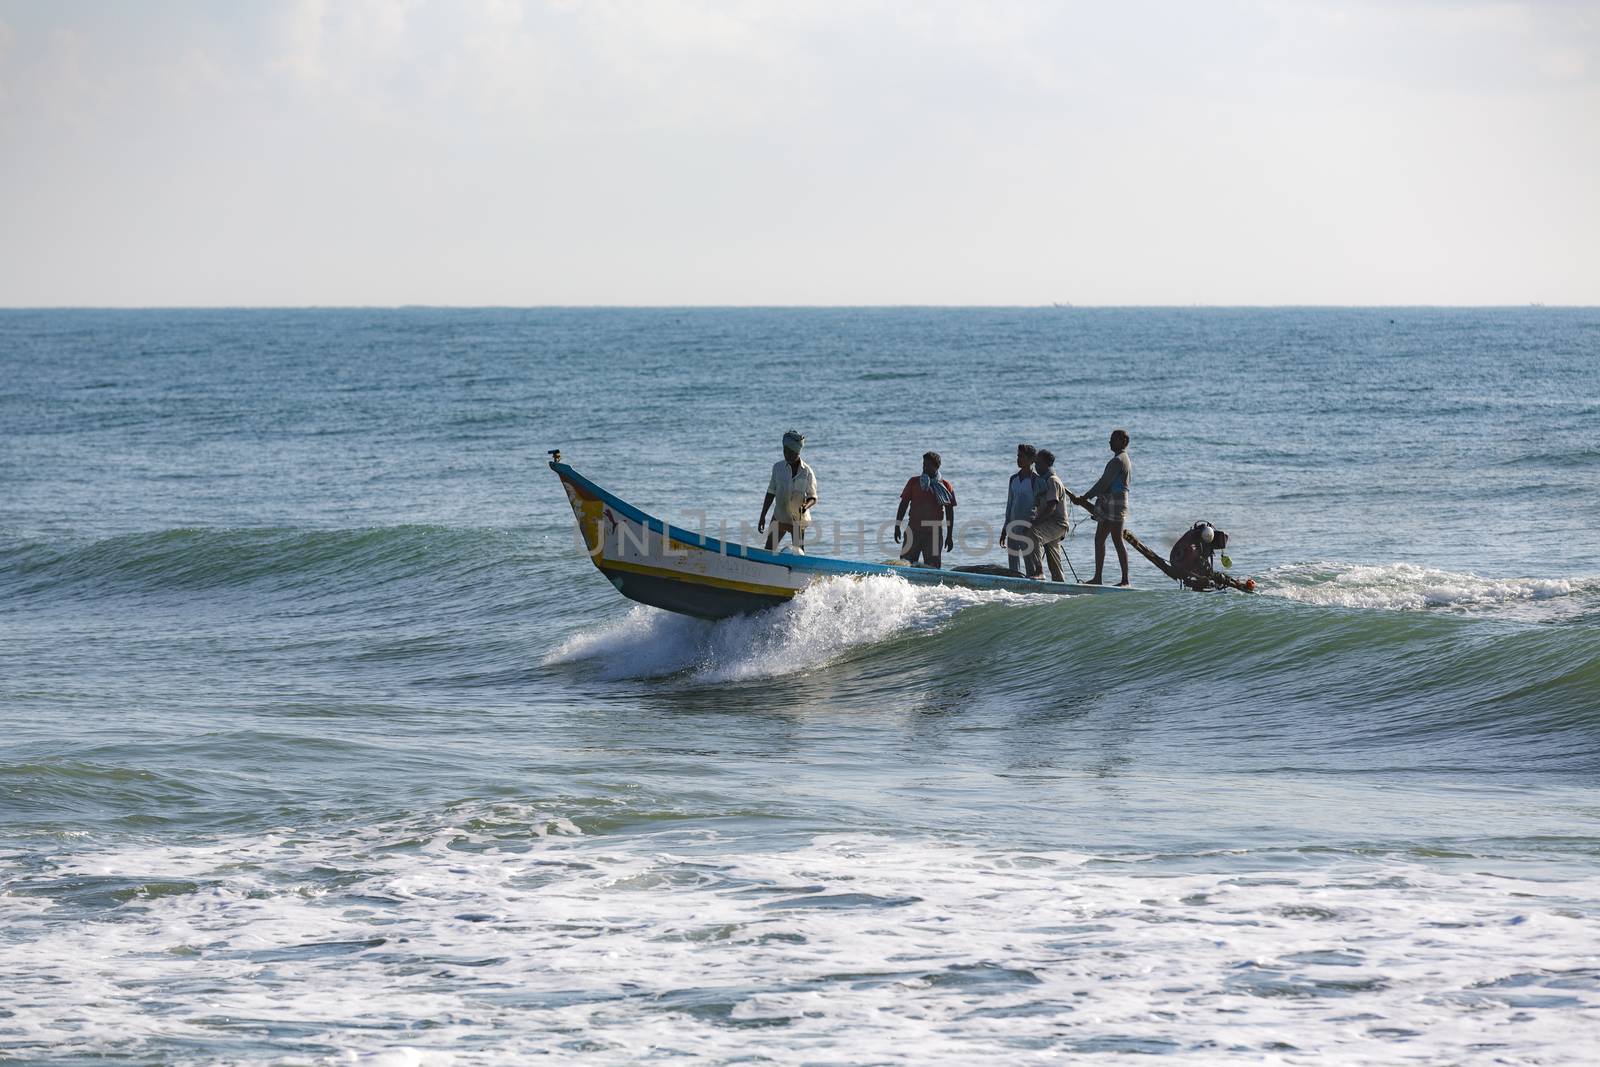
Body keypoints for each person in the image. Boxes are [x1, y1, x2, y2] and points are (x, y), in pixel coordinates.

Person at [1084, 428, 1132, 586]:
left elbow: (1104, 483)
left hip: (1115, 502)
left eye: (1114, 439)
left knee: (1116, 539)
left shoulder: (1118, 460)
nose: (1110, 441)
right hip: (1114, 501)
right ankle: (1098, 578)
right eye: (1110, 438)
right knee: (1100, 539)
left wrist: (1086, 496)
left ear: (1123, 442)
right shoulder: (1123, 458)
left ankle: (1124, 580)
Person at [758, 429, 817, 551]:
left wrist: (805, 506)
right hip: (780, 516)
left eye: (791, 452)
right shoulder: (778, 468)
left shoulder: (807, 472)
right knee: (769, 550)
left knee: (799, 553)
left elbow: (812, 497)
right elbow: (770, 492)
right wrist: (763, 516)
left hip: (798, 519)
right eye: (785, 451)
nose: (787, 455)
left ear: (798, 452)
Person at [895, 451, 956, 568]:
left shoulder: (945, 486)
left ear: (936, 467)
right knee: (905, 566)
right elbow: (903, 504)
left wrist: (949, 536)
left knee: (933, 569)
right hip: (913, 531)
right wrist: (897, 526)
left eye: (928, 465)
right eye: (923, 464)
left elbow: (950, 512)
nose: (924, 468)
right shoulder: (914, 482)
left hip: (934, 534)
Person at [1001, 444, 1041, 577]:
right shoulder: (1013, 479)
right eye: (1018, 456)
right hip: (1012, 525)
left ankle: (1032, 593)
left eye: (1021, 456)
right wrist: (1004, 528)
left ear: (1031, 460)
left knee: (1030, 565)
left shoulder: (1036, 480)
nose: (1018, 459)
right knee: (1013, 567)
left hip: (1027, 528)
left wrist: (1034, 525)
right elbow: (1009, 504)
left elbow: (1040, 505)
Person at [1029, 449, 1068, 582]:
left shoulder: (1052, 480)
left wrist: (1036, 522)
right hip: (1051, 524)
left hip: (1057, 523)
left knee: (1033, 533)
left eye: (1038, 463)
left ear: (1046, 464)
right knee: (1054, 560)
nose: (1036, 466)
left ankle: (1039, 571)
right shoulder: (1044, 480)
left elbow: (1052, 506)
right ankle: (1060, 584)